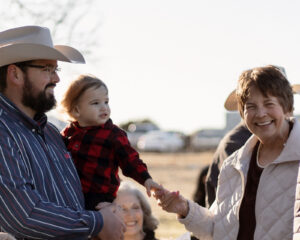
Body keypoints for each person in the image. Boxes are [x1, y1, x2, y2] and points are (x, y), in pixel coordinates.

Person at [0, 26, 125, 239]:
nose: (56, 79)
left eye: (56, 70)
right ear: (15, 74)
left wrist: (103, 208)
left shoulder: (51, 133)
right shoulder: (3, 132)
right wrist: (98, 222)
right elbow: (23, 217)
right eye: (47, 69)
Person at [155, 65, 300, 240]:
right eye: (251, 106)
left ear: (287, 108)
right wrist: (185, 209)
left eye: (269, 103)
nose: (260, 113)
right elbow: (217, 230)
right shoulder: (233, 165)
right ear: (242, 113)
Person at [60, 74, 161, 210]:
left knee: (97, 226)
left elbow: (130, 160)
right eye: (95, 103)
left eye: (106, 102)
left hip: (98, 197)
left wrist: (146, 179)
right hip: (69, 193)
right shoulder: (69, 133)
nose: (104, 107)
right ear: (77, 110)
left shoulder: (113, 134)